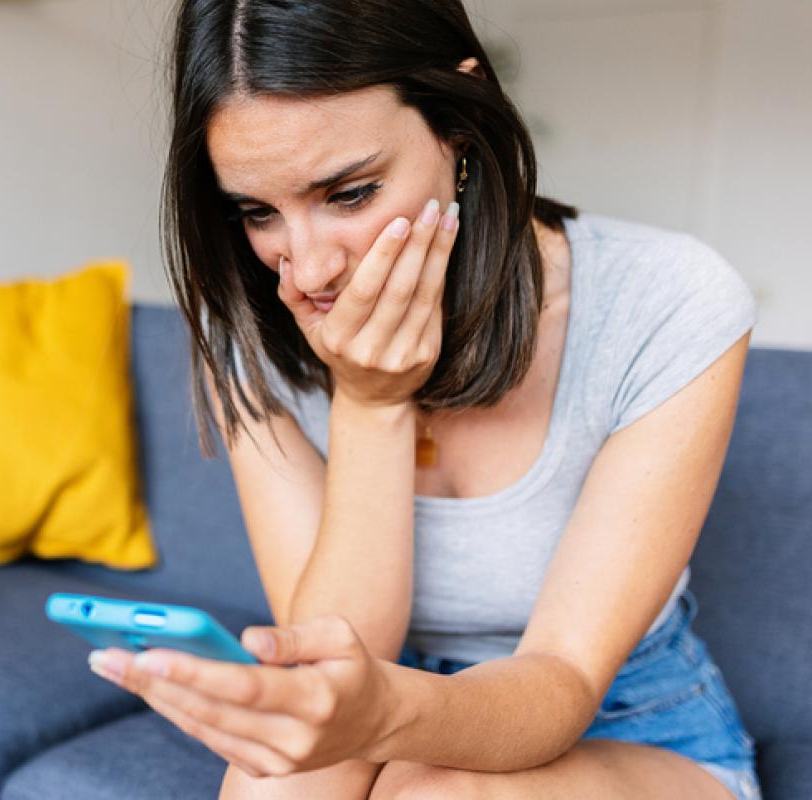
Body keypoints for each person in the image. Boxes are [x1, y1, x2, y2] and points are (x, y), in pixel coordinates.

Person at [86, 1, 761, 797]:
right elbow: (338, 645)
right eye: (257, 212)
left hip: (624, 719)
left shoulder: (667, 300)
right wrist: (370, 405)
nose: (305, 272)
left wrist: (382, 718)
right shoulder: (246, 325)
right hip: (379, 676)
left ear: (457, 123)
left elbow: (563, 682)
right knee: (279, 783)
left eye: (349, 193)